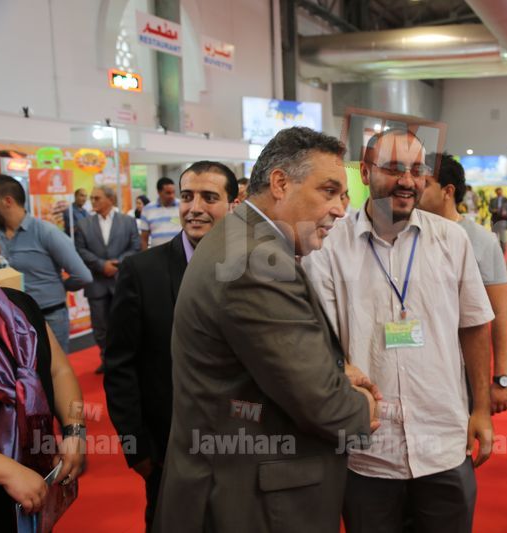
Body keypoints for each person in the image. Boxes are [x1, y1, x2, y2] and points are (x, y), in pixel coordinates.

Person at [153, 129, 377, 533]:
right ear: (280, 183)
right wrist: (362, 405)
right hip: (252, 505)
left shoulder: (241, 239)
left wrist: (334, 373)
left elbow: (266, 367)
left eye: (343, 196)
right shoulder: (256, 261)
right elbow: (326, 407)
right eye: (328, 191)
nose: (340, 210)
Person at [304, 128, 494, 533]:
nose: (407, 181)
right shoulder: (329, 247)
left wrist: (481, 408)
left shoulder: (452, 240)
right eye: (393, 169)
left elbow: (475, 325)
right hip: (368, 450)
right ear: (366, 172)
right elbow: (321, 342)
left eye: (417, 170)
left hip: (444, 441)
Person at [104, 161, 239, 530]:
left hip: (241, 451)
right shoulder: (141, 271)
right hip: (168, 453)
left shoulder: (254, 267)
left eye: (209, 197)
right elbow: (120, 366)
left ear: (233, 205)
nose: (194, 208)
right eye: (187, 196)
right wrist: (137, 449)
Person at [0, 201, 86, 530]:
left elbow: (58, 371)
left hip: (35, 482)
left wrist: (73, 430)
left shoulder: (19, 305)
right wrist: (6, 471)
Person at [418, 153, 507, 414]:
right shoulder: (404, 235)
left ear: (447, 191)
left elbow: (501, 313)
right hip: (415, 367)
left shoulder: (481, 241)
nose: (414, 188)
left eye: (425, 183)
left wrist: (502, 378)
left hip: (463, 369)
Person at [0, 174, 93, 353]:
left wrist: (58, 287)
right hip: (9, 319)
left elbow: (83, 276)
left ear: (8, 201)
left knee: (52, 367)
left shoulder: (46, 232)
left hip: (49, 317)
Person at [74, 186, 140, 374]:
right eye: (92, 198)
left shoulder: (128, 221)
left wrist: (117, 263)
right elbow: (80, 250)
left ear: (110, 199)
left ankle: (125, 359)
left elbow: (135, 247)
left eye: (97, 198)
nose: (92, 201)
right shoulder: (83, 224)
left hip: (121, 281)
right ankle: (107, 359)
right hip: (96, 283)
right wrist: (102, 265)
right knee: (100, 326)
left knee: (124, 322)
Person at [138, 177, 180, 250]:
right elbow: (144, 239)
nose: (172, 196)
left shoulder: (182, 206)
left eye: (173, 192)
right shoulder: (147, 210)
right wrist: (145, 255)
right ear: (159, 192)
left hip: (179, 252)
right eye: (168, 193)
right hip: (157, 253)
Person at [488, 187, 507, 252]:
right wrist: (494, 210)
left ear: (502, 191)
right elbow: (490, 209)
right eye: (498, 192)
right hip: (494, 219)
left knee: (503, 237)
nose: (499, 193)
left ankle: (503, 251)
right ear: (496, 192)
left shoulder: (506, 199)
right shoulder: (492, 200)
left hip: (503, 220)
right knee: (494, 237)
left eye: (500, 191)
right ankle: (496, 251)